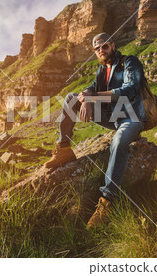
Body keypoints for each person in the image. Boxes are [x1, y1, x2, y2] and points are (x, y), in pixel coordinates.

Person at [43, 32, 148, 229]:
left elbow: (130, 89)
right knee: (71, 98)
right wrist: (88, 96)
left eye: (104, 46)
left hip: (132, 117)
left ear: (113, 45)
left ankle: (107, 202)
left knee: (118, 142)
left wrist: (92, 99)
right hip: (112, 116)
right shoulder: (102, 70)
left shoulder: (129, 63)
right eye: (97, 48)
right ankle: (64, 149)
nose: (101, 50)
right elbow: (90, 88)